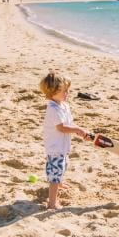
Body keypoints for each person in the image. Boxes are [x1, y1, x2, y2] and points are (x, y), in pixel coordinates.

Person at [38, 72, 88, 210]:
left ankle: (59, 182)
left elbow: (68, 123)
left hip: (62, 145)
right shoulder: (53, 109)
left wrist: (77, 130)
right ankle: (52, 203)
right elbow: (61, 127)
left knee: (63, 166)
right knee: (55, 173)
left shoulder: (63, 105)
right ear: (52, 92)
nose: (67, 93)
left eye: (67, 90)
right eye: (64, 91)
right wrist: (76, 129)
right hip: (55, 147)